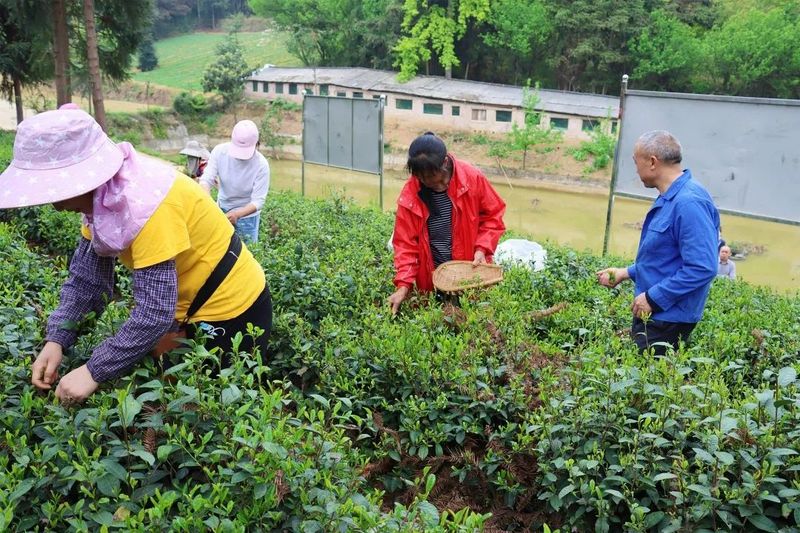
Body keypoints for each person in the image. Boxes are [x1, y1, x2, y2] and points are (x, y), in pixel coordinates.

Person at [0, 107, 272, 405]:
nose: (56, 205)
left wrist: (93, 371)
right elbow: (87, 280)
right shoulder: (104, 199)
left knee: (206, 404)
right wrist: (57, 339)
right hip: (183, 304)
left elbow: (155, 313)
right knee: (165, 388)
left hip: (234, 307)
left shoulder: (148, 206)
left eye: (57, 190)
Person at [596, 130, 720, 354]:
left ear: (652, 162)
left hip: (667, 319)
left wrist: (654, 298)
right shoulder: (670, 197)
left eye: (636, 162)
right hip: (657, 314)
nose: (635, 169)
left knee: (645, 381)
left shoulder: (689, 203)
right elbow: (666, 257)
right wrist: (626, 272)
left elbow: (702, 267)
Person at [388, 132, 506, 314]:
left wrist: (482, 249)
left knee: (472, 320)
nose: (426, 182)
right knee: (435, 321)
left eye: (430, 176)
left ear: (444, 163)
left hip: (468, 270)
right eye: (421, 177)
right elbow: (405, 244)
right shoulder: (411, 193)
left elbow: (493, 216)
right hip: (431, 276)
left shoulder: (472, 178)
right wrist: (403, 285)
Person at [200, 120, 270, 243]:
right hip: (221, 209)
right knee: (219, 249)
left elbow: (258, 201)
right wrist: (208, 202)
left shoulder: (261, 165)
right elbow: (206, 179)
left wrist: (237, 214)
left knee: (247, 253)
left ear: (257, 144)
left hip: (248, 218)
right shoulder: (219, 152)